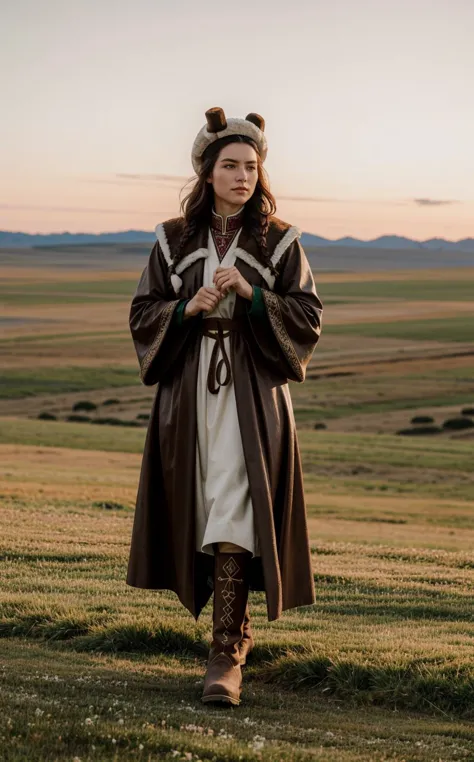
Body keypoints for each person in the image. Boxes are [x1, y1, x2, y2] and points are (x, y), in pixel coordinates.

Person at [126, 106, 323, 706]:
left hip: (253, 395)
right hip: (188, 397)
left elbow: (309, 315)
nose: (242, 175)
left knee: (237, 505)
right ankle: (223, 633)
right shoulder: (172, 238)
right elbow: (142, 313)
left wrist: (255, 296)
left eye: (251, 166)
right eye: (230, 165)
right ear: (207, 171)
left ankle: (226, 655)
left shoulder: (281, 239)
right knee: (205, 502)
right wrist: (187, 309)